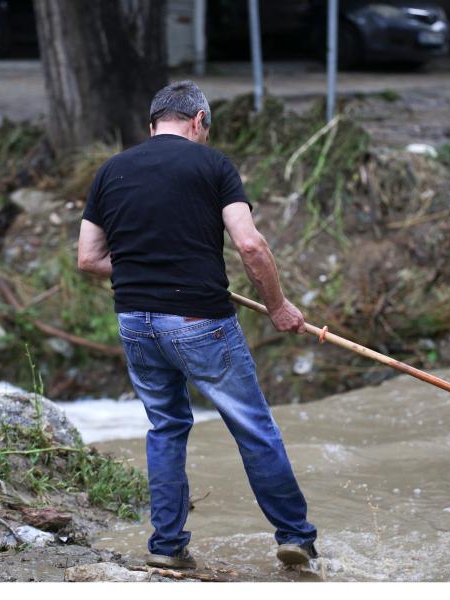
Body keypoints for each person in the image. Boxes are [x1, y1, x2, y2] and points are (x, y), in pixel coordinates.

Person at [77, 80, 317, 570]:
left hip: (136, 322)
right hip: (198, 320)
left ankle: (166, 548)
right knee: (253, 428)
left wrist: (147, 271)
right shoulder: (214, 166)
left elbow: (89, 259)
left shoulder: (111, 171)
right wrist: (278, 307)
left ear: (152, 125)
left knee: (165, 428)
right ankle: (294, 537)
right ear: (198, 121)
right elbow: (250, 246)